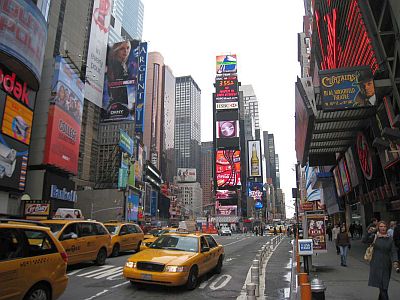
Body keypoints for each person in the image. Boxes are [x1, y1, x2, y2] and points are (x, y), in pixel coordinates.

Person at [364, 221, 399, 300]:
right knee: (382, 288)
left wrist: (395, 261)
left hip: (386, 265)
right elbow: (364, 240)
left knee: (384, 286)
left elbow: (393, 251)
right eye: (381, 226)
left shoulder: (390, 239)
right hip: (376, 264)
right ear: (378, 228)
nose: (383, 228)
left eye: (384, 226)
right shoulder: (374, 237)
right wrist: (368, 232)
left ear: (387, 227)